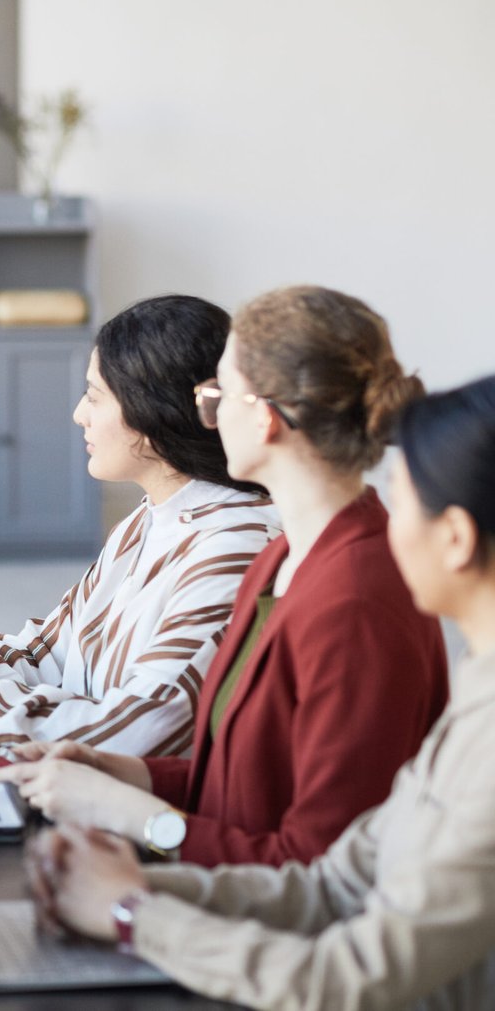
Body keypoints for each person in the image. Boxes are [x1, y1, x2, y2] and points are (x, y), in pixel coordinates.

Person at [29, 373, 495, 1010]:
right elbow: (334, 883)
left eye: (405, 498)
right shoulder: (478, 687)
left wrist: (133, 910)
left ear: (457, 539)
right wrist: (129, 887)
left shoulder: (357, 599)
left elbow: (347, 979)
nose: (389, 522)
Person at [0, 286, 448, 867]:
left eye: (216, 394)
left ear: (264, 419)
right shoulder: (281, 559)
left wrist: (133, 817)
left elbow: (316, 868)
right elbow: (242, 785)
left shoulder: (354, 602)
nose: (203, 414)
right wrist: (117, 771)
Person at [0, 295, 281, 755]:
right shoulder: (148, 520)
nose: (78, 414)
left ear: (151, 412)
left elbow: (133, 734)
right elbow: (50, 653)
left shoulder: (236, 546)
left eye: (93, 396)